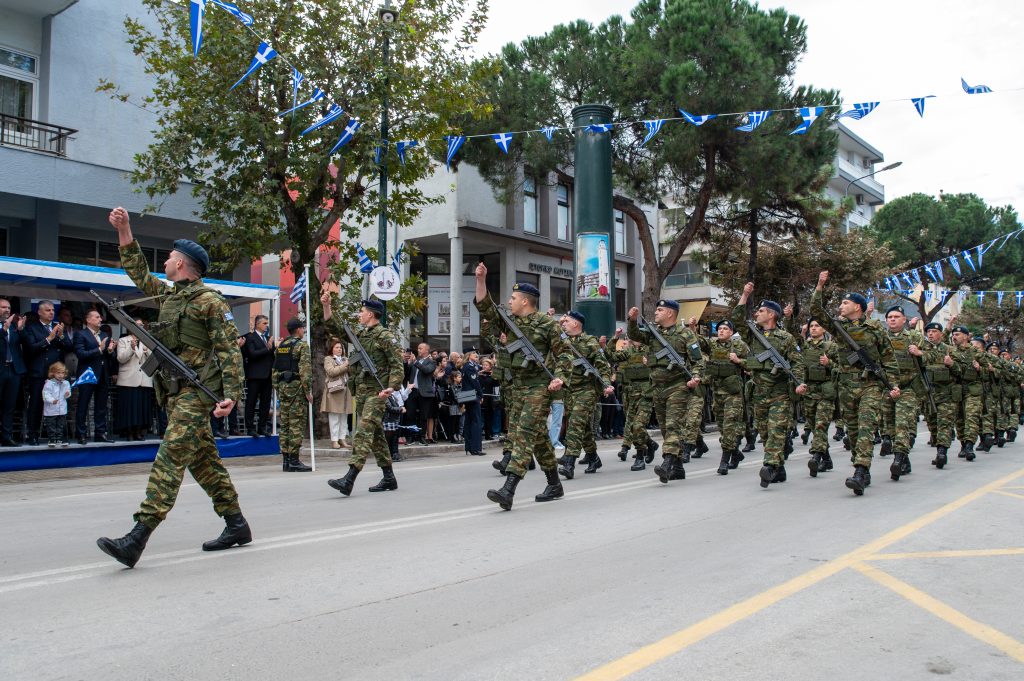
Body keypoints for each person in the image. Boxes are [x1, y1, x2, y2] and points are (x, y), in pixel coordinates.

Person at [96, 206, 251, 568]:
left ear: (181, 264)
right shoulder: (170, 296)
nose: (164, 262)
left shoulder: (209, 302)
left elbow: (229, 348)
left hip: (198, 394)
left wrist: (233, 395)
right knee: (204, 463)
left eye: (168, 258)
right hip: (176, 392)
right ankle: (237, 524)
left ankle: (138, 536)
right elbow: (137, 273)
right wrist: (125, 230)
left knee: (169, 459)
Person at [476, 265, 572, 509]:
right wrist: (481, 279)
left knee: (523, 435)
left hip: (540, 387)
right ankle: (554, 484)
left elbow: (565, 355)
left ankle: (508, 489)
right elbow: (485, 306)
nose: (509, 301)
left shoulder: (548, 325)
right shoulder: (509, 322)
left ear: (526, 301)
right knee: (538, 437)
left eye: (513, 298)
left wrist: (559, 377)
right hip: (517, 386)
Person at [810, 271, 900, 496]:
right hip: (846, 386)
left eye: (845, 302)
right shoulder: (839, 329)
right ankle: (862, 468)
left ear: (858, 307)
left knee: (866, 427)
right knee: (852, 431)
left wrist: (893, 384)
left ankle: (860, 471)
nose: (841, 306)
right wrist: (820, 285)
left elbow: (888, 358)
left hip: (870, 385)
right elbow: (816, 311)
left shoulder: (875, 329)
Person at [322, 293, 404, 496]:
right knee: (376, 437)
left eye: (362, 312)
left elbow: (397, 366)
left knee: (363, 432)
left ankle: (349, 478)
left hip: (378, 393)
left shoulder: (385, 336)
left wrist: (391, 388)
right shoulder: (360, 334)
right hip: (362, 392)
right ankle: (389, 477)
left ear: (371, 314)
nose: (359, 315)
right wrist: (326, 306)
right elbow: (336, 328)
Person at [731, 287, 807, 487]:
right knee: (764, 432)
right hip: (759, 393)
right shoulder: (753, 335)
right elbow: (737, 318)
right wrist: (745, 295)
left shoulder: (786, 338)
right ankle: (779, 469)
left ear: (771, 314)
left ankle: (770, 466)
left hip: (779, 393)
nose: (756, 314)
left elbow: (797, 363)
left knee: (775, 431)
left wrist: (799, 383)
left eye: (761, 311)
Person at [627, 299, 705, 484]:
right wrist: (631, 320)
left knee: (672, 426)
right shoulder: (654, 333)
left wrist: (696, 377)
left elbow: (697, 360)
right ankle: (678, 468)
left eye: (660, 310)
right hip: (657, 387)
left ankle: (667, 463)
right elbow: (635, 335)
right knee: (664, 427)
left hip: (677, 386)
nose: (656, 312)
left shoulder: (685, 334)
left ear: (670, 313)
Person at [557, 310, 614, 479]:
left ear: (576, 323)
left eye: (567, 321)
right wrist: (558, 323)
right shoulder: (562, 340)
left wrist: (606, 384)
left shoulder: (590, 342)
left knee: (575, 422)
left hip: (587, 389)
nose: (564, 323)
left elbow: (603, 366)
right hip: (569, 390)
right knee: (582, 427)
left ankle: (569, 461)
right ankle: (594, 457)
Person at [879, 306, 924, 480]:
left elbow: (936, 354)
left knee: (902, 425)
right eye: (889, 317)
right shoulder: (881, 338)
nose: (892, 319)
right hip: (887, 387)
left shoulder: (915, 337)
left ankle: (898, 459)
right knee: (889, 425)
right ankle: (904, 459)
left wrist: (920, 353)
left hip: (908, 388)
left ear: (904, 319)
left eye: (896, 316)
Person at [703, 320, 751, 476]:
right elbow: (697, 343)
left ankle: (725, 460)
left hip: (733, 393)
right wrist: (690, 327)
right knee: (723, 428)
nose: (722, 331)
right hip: (717, 392)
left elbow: (752, 364)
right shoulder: (712, 344)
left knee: (730, 425)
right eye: (720, 329)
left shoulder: (739, 346)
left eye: (725, 329)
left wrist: (738, 360)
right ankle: (736, 453)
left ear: (731, 332)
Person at [22, 301, 73, 446]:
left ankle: (58, 435)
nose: (51, 312)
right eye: (47, 310)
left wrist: (61, 335)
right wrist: (49, 338)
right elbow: (31, 348)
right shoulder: (32, 328)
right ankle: (32, 434)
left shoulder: (58, 327)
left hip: (57, 374)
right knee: (37, 404)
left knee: (59, 404)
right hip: (39, 372)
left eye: (52, 310)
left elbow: (69, 347)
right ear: (39, 312)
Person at [606, 337, 659, 471]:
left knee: (638, 425)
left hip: (646, 394)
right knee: (632, 427)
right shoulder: (628, 352)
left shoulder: (650, 350)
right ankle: (650, 444)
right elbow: (611, 355)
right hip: (631, 394)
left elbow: (661, 367)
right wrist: (613, 340)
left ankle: (640, 457)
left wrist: (651, 363)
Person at [911, 322, 956, 468]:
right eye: (928, 331)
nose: (930, 333)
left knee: (944, 423)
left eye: (934, 331)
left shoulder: (949, 350)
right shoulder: (919, 348)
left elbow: (961, 370)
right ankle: (938, 446)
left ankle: (942, 452)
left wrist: (952, 364)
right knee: (933, 424)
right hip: (928, 394)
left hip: (945, 395)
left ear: (941, 334)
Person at [272, 317, 313, 472]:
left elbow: (274, 369)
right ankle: (294, 460)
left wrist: (277, 387)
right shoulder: (302, 346)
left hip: (283, 387)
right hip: (296, 388)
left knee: (286, 424)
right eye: (302, 328)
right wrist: (308, 391)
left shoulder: (281, 346)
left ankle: (286, 460)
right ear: (298, 330)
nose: (303, 330)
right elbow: (305, 370)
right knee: (296, 424)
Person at [800, 319, 839, 476]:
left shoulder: (832, 347)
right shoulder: (805, 347)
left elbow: (842, 367)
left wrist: (829, 363)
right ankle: (827, 459)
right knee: (815, 426)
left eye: (817, 326)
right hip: (809, 392)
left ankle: (816, 457)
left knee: (821, 425)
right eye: (811, 326)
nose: (814, 328)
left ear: (824, 329)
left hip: (825, 392)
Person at [73, 309, 116, 444]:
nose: (100, 319)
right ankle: (81, 433)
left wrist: (109, 351)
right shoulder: (81, 334)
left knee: (101, 405)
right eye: (97, 317)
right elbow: (81, 354)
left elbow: (108, 356)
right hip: (88, 374)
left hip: (103, 373)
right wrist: (99, 349)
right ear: (88, 320)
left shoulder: (104, 334)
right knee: (83, 404)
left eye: (100, 317)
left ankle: (100, 433)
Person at [115, 319, 154, 441]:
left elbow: (154, 359)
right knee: (129, 408)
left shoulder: (147, 340)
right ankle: (129, 432)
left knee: (141, 408)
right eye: (137, 325)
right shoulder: (123, 340)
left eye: (142, 325)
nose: (140, 327)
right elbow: (121, 358)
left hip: (144, 380)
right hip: (128, 380)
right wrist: (131, 349)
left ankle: (139, 432)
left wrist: (147, 351)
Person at [241, 314, 275, 436]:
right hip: (255, 376)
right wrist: (268, 347)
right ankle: (250, 428)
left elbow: (271, 355)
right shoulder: (250, 337)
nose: (266, 326)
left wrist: (274, 347)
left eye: (267, 323)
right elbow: (252, 354)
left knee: (265, 403)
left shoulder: (268, 338)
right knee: (251, 402)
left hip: (267, 376)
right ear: (257, 324)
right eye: (264, 323)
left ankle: (262, 427)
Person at [321, 339, 353, 448]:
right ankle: (334, 440)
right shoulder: (328, 359)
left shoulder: (345, 359)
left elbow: (351, 373)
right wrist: (345, 365)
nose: (339, 349)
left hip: (345, 390)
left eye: (341, 347)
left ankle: (342, 438)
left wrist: (349, 365)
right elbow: (331, 372)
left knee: (344, 416)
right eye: (337, 347)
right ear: (332, 349)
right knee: (334, 416)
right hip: (334, 390)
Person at [407, 342, 437, 444]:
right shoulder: (415, 361)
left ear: (426, 350)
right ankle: (411, 436)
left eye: (420, 348)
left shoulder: (431, 362)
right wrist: (407, 362)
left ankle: (421, 436)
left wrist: (415, 362)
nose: (418, 350)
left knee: (424, 416)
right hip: (413, 390)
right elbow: (407, 373)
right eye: (418, 348)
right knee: (410, 414)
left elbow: (426, 370)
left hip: (425, 392)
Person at [460, 348, 485, 456]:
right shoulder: (469, 367)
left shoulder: (468, 366)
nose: (476, 355)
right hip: (472, 396)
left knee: (469, 421)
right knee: (476, 421)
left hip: (467, 397)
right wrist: (481, 395)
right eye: (474, 353)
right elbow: (475, 383)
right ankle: (476, 448)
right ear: (469, 355)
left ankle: (469, 446)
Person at [42, 361, 72, 447]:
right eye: (58, 373)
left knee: (61, 425)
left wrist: (67, 394)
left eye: (62, 373)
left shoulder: (66, 383)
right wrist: (52, 400)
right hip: (51, 409)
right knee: (51, 425)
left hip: (62, 409)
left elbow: (68, 393)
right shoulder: (49, 383)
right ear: (53, 373)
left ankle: (59, 438)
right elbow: (46, 394)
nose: (60, 375)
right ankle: (51, 439)